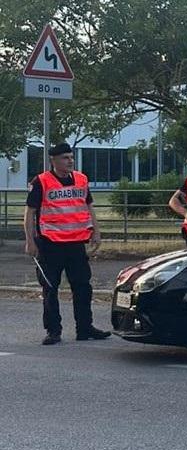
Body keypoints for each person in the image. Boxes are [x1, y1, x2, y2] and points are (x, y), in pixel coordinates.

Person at [23, 143, 110, 345]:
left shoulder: (81, 179)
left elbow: (89, 206)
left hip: (76, 243)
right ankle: (53, 330)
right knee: (50, 288)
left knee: (83, 287)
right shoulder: (41, 182)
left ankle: (85, 328)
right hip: (50, 244)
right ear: (53, 160)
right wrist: (30, 241)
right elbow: (29, 213)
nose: (70, 161)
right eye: (65, 158)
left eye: (71, 157)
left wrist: (96, 232)